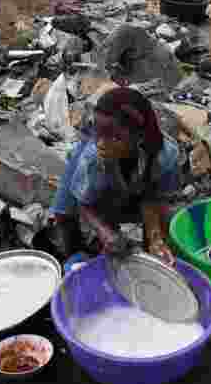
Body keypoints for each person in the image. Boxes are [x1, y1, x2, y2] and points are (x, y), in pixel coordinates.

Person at [46, 87, 180, 266]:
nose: (102, 143)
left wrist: (155, 238)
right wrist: (104, 231)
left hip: (126, 176)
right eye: (98, 133)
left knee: (152, 227)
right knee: (64, 212)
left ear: (139, 137)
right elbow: (85, 203)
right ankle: (73, 255)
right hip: (91, 168)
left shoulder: (165, 156)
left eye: (115, 138)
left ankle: (151, 258)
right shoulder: (93, 156)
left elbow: (154, 197)